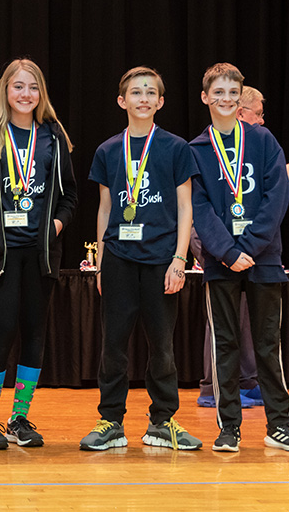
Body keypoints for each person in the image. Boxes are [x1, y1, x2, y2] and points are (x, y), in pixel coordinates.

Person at [78, 67, 202, 451]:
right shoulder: (108, 150)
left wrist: (180, 259)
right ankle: (110, 421)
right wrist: (100, 261)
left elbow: (186, 206)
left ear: (161, 102)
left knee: (162, 345)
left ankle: (163, 422)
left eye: (151, 92)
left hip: (161, 259)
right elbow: (104, 209)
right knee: (113, 344)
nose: (143, 98)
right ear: (122, 101)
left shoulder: (176, 148)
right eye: (136, 92)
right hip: (118, 258)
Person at [190, 62, 289, 452]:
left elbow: (277, 196)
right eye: (218, 93)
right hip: (221, 261)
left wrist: (250, 247)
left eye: (232, 93)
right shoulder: (196, 150)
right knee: (224, 345)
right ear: (206, 97)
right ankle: (229, 428)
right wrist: (227, 251)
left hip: (263, 259)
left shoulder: (262, 141)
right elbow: (200, 206)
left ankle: (279, 425)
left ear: (240, 99)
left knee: (266, 345)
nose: (226, 99)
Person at [0, 59, 77, 449]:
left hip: (41, 254)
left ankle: (20, 418)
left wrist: (54, 228)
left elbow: (70, 197)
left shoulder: (54, 137)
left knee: (34, 332)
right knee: (2, 328)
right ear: (5, 91)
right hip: (3, 254)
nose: (25, 94)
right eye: (18, 86)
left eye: (32, 87)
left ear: (40, 93)